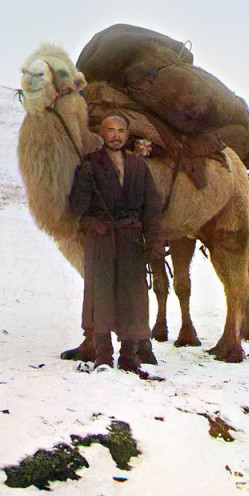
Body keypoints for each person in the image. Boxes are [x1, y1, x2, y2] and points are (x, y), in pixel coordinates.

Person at [68, 114, 164, 372]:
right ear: (102, 133)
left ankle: (129, 356)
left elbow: (152, 209)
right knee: (101, 294)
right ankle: (103, 354)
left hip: (131, 239)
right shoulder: (90, 164)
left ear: (127, 134)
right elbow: (76, 208)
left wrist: (154, 243)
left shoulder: (138, 167)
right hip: (100, 239)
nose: (116, 135)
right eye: (111, 130)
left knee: (133, 295)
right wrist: (90, 219)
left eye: (121, 130)